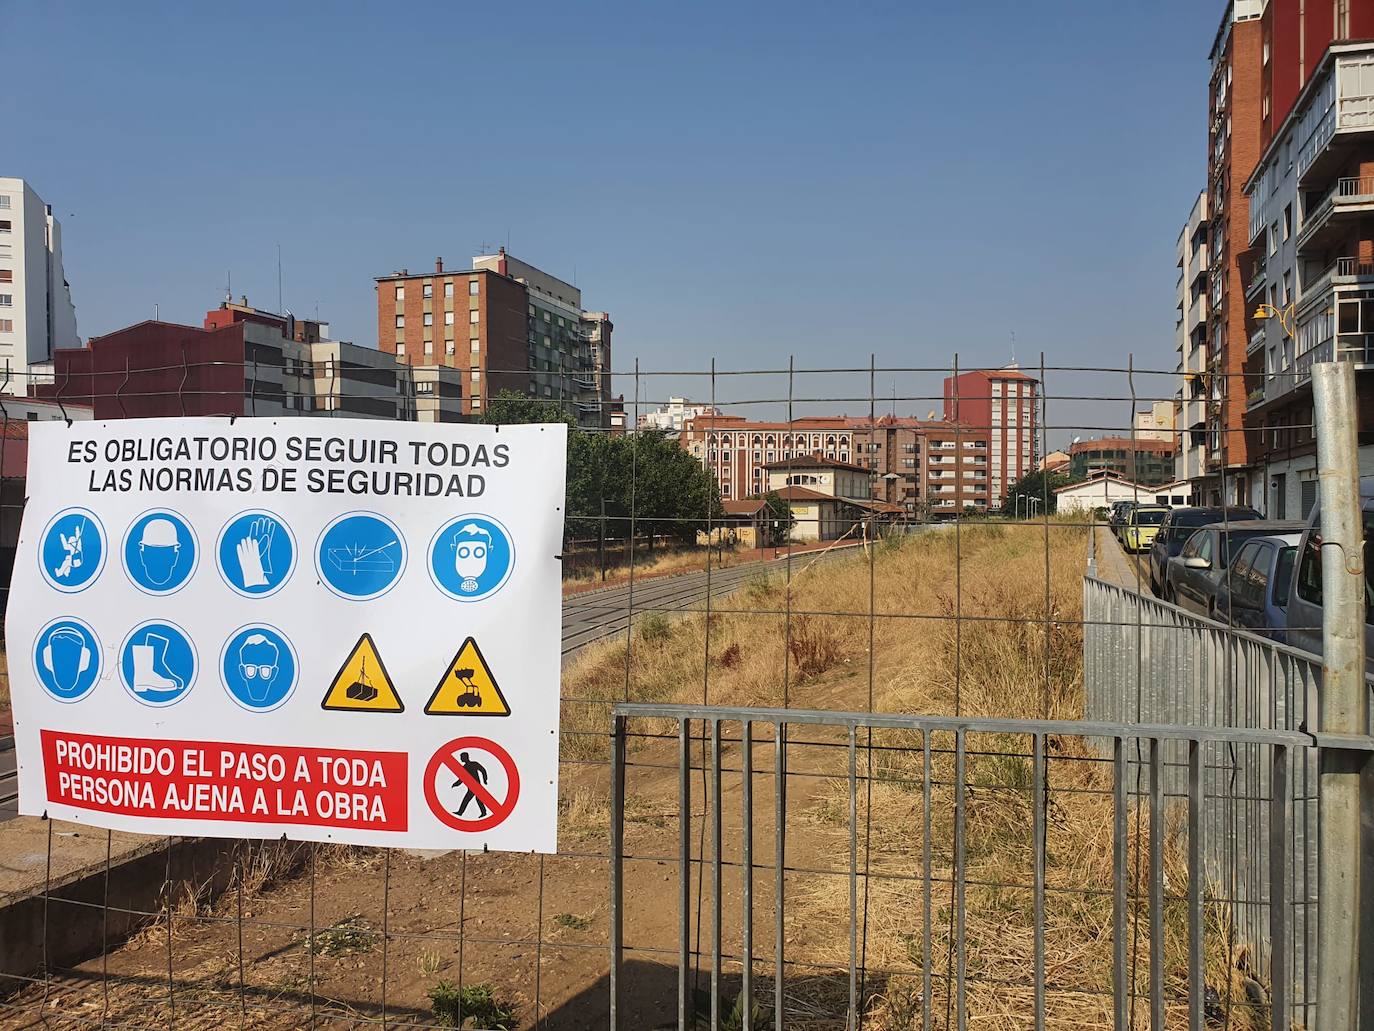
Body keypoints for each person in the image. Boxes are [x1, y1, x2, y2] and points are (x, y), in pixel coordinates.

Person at [453, 751, 489, 817]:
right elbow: (462, 778)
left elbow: (483, 770)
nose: (460, 759)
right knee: (477, 799)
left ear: (465, 757)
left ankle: (460, 812)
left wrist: (485, 779)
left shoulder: (473, 764)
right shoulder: (464, 767)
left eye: (461, 757)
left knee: (469, 799)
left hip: (476, 786)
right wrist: (456, 784)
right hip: (472, 787)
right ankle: (483, 813)